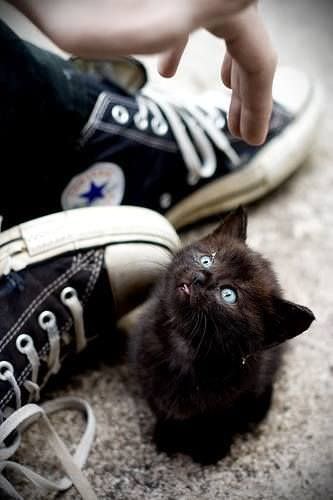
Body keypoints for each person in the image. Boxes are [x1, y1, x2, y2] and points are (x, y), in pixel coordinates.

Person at [0, 1, 322, 498]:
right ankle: (93, 146)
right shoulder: (157, 331)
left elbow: (252, 386)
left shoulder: (238, 369)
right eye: (209, 258)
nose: (200, 274)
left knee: (244, 405)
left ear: (265, 333)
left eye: (229, 295)